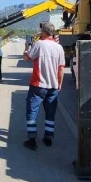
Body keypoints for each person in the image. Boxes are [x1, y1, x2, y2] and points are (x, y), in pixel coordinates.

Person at [22, 22, 65, 150]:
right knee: (50, 113)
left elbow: (26, 58)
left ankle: (31, 140)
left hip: (38, 85)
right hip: (53, 86)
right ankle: (48, 138)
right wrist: (59, 83)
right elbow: (61, 69)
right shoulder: (59, 48)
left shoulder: (39, 44)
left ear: (44, 32)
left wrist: (26, 47)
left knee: (32, 112)